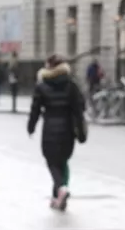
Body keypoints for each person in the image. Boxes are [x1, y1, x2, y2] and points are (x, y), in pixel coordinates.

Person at [28, 55, 87, 211]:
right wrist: (81, 132)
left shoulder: (41, 86)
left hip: (50, 129)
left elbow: (35, 110)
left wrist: (31, 127)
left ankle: (61, 188)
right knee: (63, 161)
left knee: (51, 161)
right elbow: (79, 109)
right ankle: (58, 197)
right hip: (68, 130)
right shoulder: (71, 85)